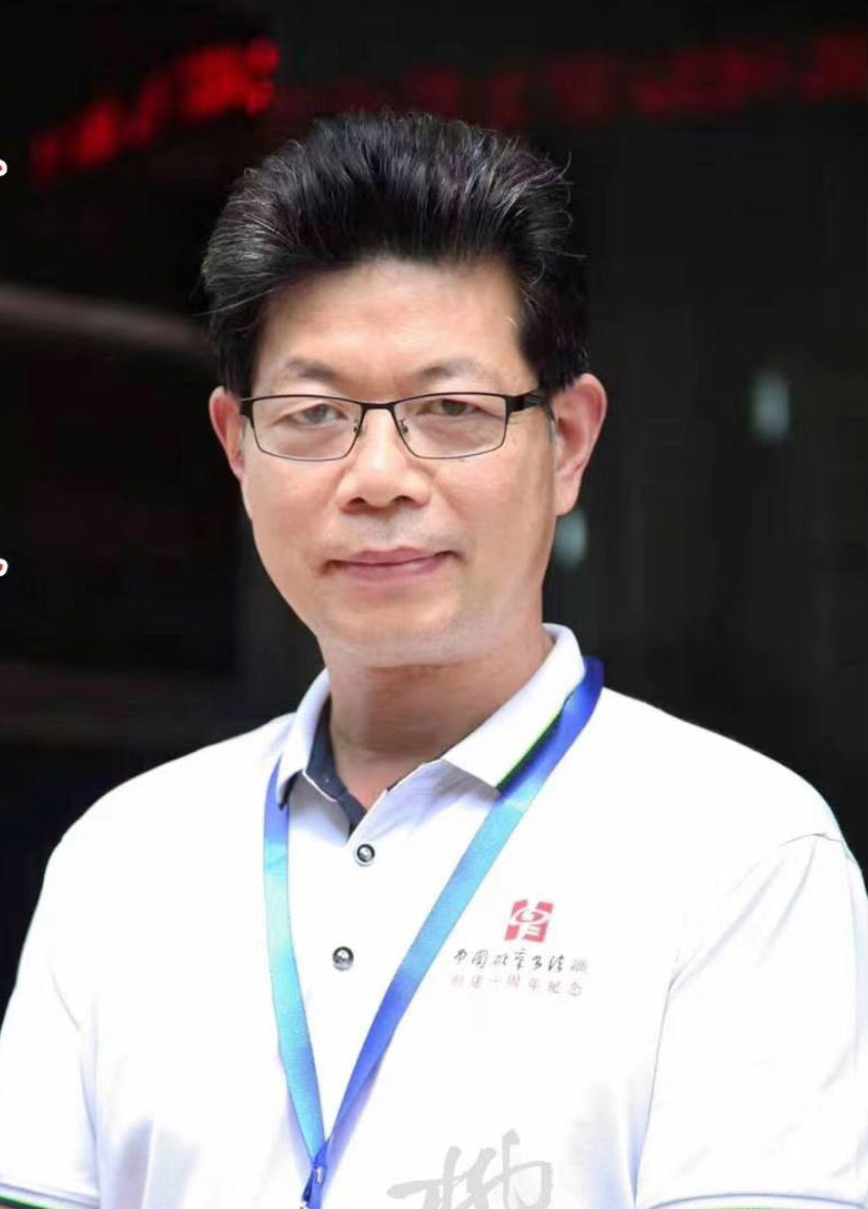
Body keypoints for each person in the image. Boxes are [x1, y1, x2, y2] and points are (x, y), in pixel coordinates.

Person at [0, 110, 865, 1209]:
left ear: (567, 442)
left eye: (451, 409)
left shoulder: (741, 855)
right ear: (237, 446)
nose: (378, 477)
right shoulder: (122, 861)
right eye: (314, 413)